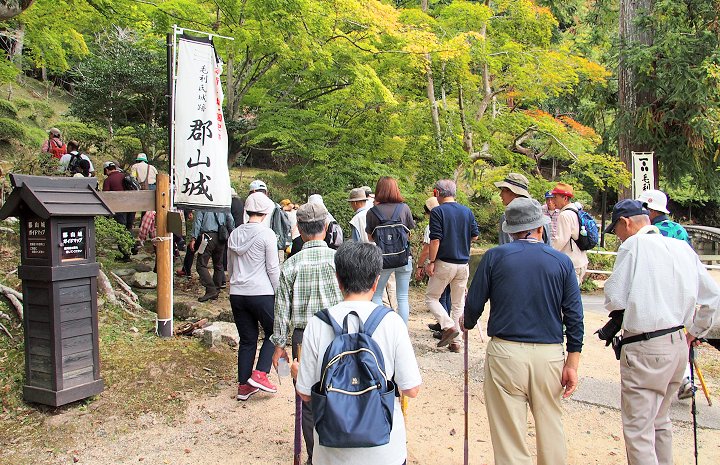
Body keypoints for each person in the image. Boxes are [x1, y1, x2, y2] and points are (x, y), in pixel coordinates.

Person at [464, 197, 583, 465]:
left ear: (510, 230)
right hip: (549, 356)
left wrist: (467, 323)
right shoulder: (561, 262)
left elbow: (474, 306)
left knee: (509, 434)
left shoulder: (495, 257)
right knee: (551, 426)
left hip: (505, 353)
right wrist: (572, 362)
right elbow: (574, 315)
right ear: (541, 227)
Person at [603, 199, 720, 465]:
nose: (617, 236)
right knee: (660, 420)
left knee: (639, 429)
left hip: (646, 346)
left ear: (626, 222)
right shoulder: (681, 247)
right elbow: (713, 297)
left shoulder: (633, 245)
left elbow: (615, 298)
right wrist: (695, 331)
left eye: (616, 229)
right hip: (678, 343)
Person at [295, 241, 422, 465]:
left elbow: (306, 395)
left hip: (331, 454)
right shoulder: (392, 321)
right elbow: (411, 389)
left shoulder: (317, 323)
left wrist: (298, 373)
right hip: (386, 453)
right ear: (376, 281)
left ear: (338, 279)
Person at [271, 202, 343, 464]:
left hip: (303, 339)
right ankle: (339, 450)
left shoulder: (291, 265)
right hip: (338, 335)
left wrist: (279, 345)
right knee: (339, 391)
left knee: (307, 396)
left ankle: (315, 456)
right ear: (326, 227)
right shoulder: (339, 261)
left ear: (299, 230)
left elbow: (281, 309)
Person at [636, 189, 694, 398]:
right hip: (681, 292)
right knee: (677, 335)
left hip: (658, 292)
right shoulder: (680, 230)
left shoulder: (650, 233)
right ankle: (684, 378)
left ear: (650, 210)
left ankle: (670, 381)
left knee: (660, 337)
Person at [227, 192, 280, 401]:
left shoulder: (234, 234)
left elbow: (230, 266)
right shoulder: (267, 234)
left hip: (237, 293)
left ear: (247, 210)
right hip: (261, 292)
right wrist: (279, 292)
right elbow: (272, 268)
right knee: (274, 332)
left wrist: (234, 284)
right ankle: (260, 374)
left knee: (247, 339)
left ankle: (243, 385)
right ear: (266, 212)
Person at [424, 179, 479, 352]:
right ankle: (456, 342)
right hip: (463, 264)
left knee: (431, 298)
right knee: (458, 304)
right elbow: (475, 236)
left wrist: (431, 262)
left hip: (444, 263)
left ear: (437, 193)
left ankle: (448, 326)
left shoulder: (438, 211)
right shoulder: (467, 211)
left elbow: (435, 240)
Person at [365, 176, 415, 324]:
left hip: (383, 259)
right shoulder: (404, 208)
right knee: (402, 297)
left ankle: (383, 326)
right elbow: (409, 234)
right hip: (403, 257)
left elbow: (370, 238)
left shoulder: (372, 212)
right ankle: (402, 331)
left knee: (377, 295)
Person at [416, 196, 451, 333]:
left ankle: (445, 328)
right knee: (447, 295)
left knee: (437, 297)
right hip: (453, 262)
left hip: (438, 263)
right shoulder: (449, 221)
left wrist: (420, 266)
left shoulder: (430, 226)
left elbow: (426, 249)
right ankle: (443, 324)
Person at [190, 208, 235, 302]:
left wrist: (194, 238)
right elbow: (230, 219)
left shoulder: (203, 205)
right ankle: (216, 290)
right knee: (218, 264)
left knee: (201, 265)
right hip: (221, 236)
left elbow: (198, 221)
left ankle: (211, 289)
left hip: (207, 236)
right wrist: (232, 233)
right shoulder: (222, 204)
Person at [494, 173, 550, 245]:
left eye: (503, 190)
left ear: (514, 192)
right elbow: (548, 245)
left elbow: (505, 247)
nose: (500, 194)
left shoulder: (508, 217)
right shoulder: (539, 215)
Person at [550, 182, 588, 285]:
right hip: (580, 261)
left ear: (565, 198)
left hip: (571, 263)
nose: (553, 200)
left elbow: (560, 241)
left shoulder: (565, 215)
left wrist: (548, 254)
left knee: (567, 294)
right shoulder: (576, 211)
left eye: (555, 197)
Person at [244, 179, 291, 262]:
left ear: (253, 192)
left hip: (253, 246)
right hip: (273, 244)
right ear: (266, 192)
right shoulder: (275, 206)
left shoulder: (249, 206)